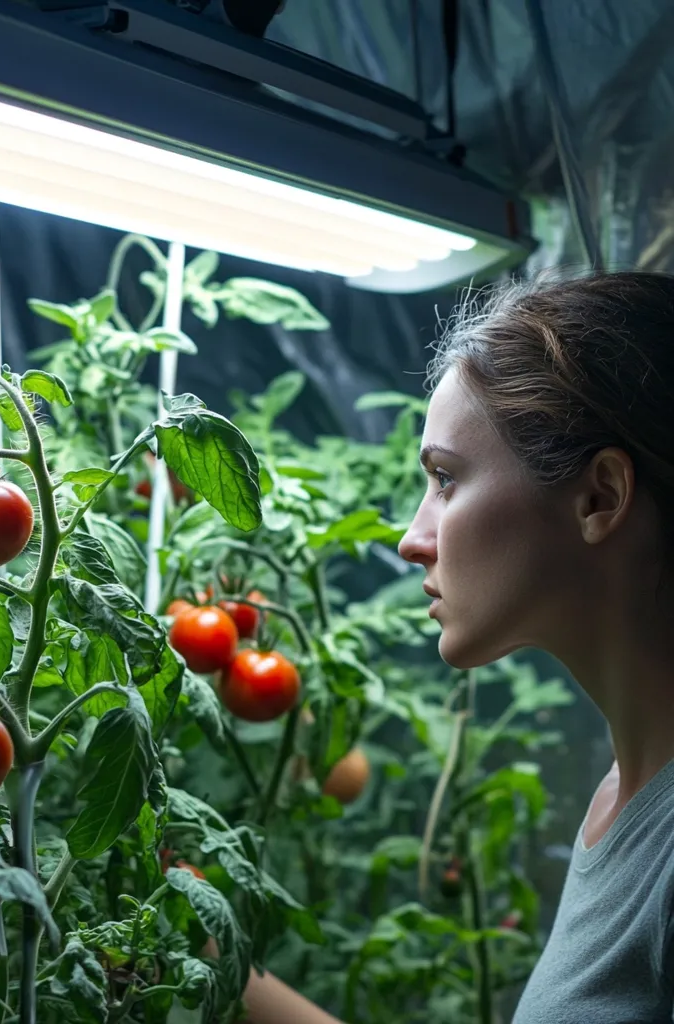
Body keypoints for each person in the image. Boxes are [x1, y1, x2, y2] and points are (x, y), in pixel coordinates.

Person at [232, 269, 674, 1023]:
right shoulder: (622, 803)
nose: (410, 539)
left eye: (445, 479)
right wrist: (226, 970)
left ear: (599, 497)